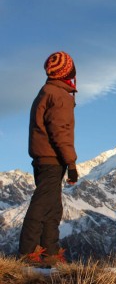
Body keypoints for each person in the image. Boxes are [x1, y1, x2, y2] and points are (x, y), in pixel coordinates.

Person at [19, 51, 79, 266]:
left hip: (44, 157)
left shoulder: (47, 91)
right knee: (43, 204)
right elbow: (60, 131)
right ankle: (28, 253)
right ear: (68, 71)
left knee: (53, 206)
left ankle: (49, 253)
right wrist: (71, 164)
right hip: (52, 158)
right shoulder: (59, 95)